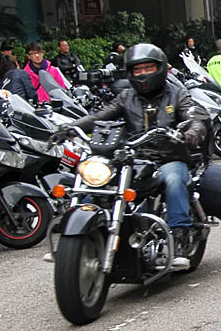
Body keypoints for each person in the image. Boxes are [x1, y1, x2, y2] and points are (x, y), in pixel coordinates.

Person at [61, 44, 208, 271]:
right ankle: (75, 238)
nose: (143, 74)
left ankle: (179, 238)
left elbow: (194, 115)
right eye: (137, 70)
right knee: (98, 182)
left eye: (148, 68)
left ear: (159, 68)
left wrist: (191, 133)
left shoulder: (177, 94)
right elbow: (99, 117)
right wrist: (69, 127)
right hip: (133, 159)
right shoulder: (126, 96)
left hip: (168, 157)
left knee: (174, 180)